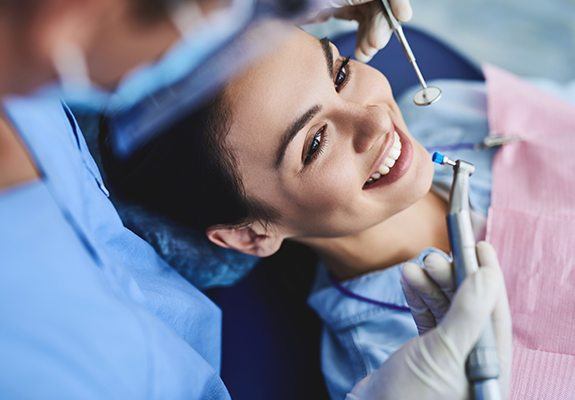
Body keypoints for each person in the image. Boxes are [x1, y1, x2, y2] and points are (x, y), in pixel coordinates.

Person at [0, 0, 510, 398]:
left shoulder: (465, 114)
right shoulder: (386, 358)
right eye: (313, 144)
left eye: (338, 73)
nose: (376, 120)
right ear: (249, 233)